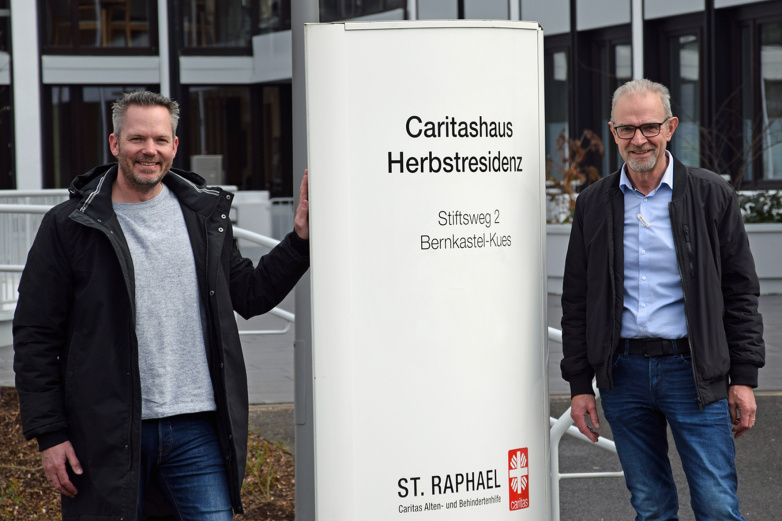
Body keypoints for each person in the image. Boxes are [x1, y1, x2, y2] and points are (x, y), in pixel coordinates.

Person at [13, 90, 310, 520]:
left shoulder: (203, 216)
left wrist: (299, 240)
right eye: (136, 139)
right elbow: (36, 333)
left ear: (174, 145)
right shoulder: (69, 225)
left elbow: (250, 294)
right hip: (105, 433)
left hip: (197, 430)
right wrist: (49, 433)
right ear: (115, 144)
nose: (148, 150)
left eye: (159, 139)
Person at [560, 79, 765, 520]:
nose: (639, 139)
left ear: (670, 127)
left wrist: (743, 376)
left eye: (650, 127)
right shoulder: (594, 203)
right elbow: (577, 299)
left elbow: (740, 292)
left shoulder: (711, 195)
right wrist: (579, 385)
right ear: (612, 132)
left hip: (695, 373)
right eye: (626, 129)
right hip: (623, 375)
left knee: (717, 505)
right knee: (651, 506)